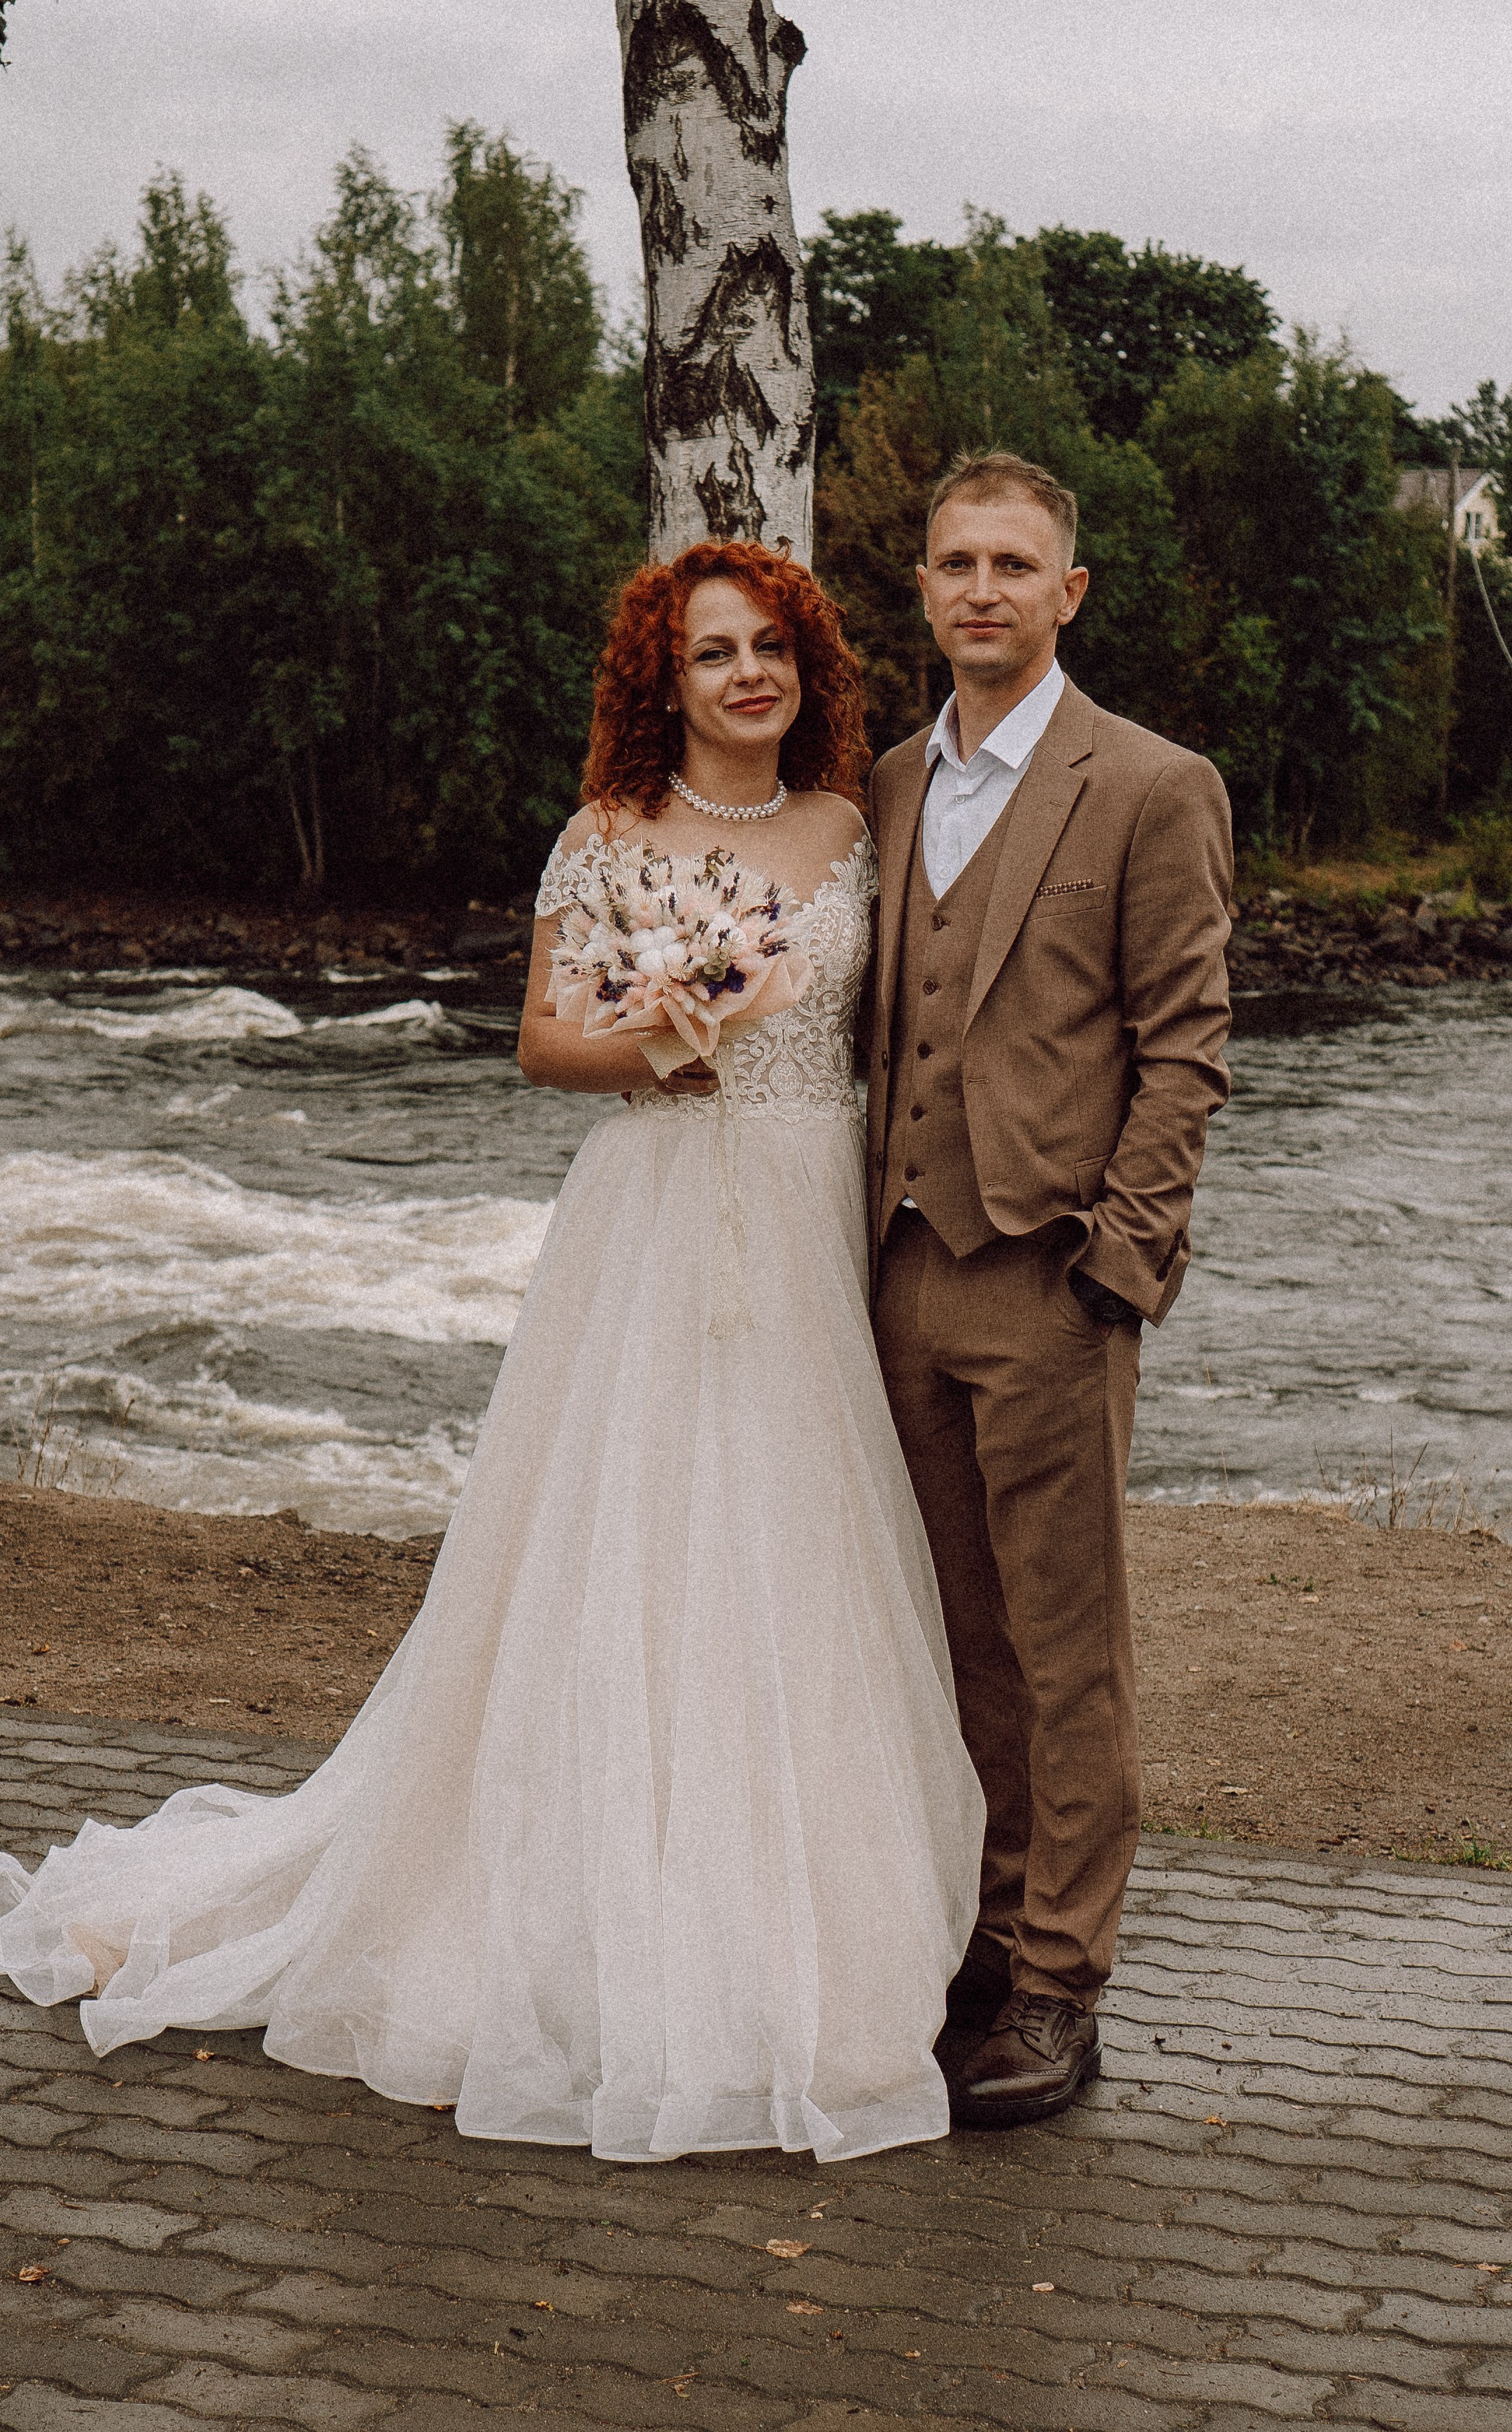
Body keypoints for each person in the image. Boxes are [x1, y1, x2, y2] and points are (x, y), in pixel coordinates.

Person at [0, 539, 985, 2167]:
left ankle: (802, 1920)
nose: (748, 677)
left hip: (802, 1232)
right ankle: (573, 1918)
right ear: (666, 679)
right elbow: (538, 1043)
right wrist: (665, 1031)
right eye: (714, 653)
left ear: (810, 670)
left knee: (796, 1553)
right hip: (648, 1219)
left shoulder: (852, 829)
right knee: (621, 1555)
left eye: (772, 647)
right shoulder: (606, 837)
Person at [867, 451, 1232, 2128]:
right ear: (924, 589)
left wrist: (1118, 1265)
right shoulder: (879, 784)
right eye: (957, 563)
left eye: (1016, 564)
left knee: (1064, 1648)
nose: (985, 589)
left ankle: (1059, 1983)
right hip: (891, 1278)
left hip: (1048, 1280)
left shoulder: (1152, 786)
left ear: (1067, 592)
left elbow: (1185, 1051)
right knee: (947, 1640)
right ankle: (976, 1936)